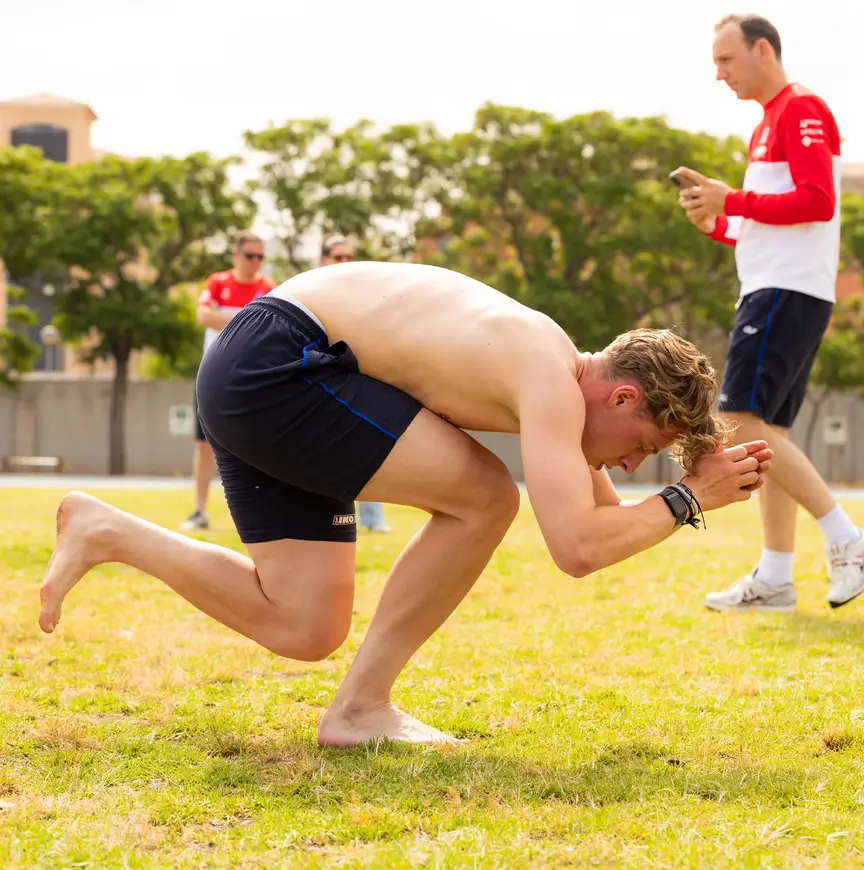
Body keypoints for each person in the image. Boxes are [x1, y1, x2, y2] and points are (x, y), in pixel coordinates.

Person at [38, 262, 771, 747]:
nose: (631, 462)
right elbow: (575, 549)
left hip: (261, 368)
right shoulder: (545, 374)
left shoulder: (557, 374)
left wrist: (691, 487)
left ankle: (109, 533)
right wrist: (687, 498)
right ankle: (361, 708)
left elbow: (595, 525)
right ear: (621, 396)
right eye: (643, 441)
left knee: (305, 626)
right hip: (282, 362)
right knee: (486, 497)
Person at [674, 14, 863, 613]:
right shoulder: (767, 125)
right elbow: (772, 224)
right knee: (767, 439)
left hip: (785, 291)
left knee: (737, 420)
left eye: (726, 60)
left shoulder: (800, 109)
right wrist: (719, 223)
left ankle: (847, 539)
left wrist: (731, 197)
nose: (719, 73)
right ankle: (777, 578)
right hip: (779, 284)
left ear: (763, 50)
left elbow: (815, 202)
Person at [179, 231, 276, 531]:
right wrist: (249, 320)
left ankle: (259, 512)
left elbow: (273, 327)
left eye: (260, 256)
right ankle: (199, 511)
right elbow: (203, 317)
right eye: (250, 255)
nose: (255, 262)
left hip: (253, 377)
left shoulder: (269, 288)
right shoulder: (218, 283)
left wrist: (228, 319)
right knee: (204, 444)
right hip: (213, 377)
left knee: (258, 444)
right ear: (236, 255)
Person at [320, 233, 389, 533]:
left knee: (368, 450)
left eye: (350, 256)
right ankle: (329, 524)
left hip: (359, 385)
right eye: (338, 257)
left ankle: (373, 521)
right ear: (324, 260)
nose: (345, 262)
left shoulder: (365, 295)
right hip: (322, 388)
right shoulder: (310, 292)